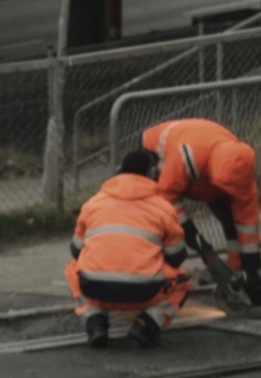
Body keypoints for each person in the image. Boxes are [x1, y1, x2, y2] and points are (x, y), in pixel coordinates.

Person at [141, 118, 261, 307]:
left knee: (232, 224)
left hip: (200, 174)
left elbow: (247, 229)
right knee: (159, 227)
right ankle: (152, 285)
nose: (231, 194)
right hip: (155, 157)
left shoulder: (242, 176)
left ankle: (238, 280)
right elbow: (166, 197)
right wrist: (194, 236)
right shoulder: (186, 157)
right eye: (227, 189)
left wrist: (251, 272)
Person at [64, 150, 192, 349]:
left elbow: (76, 250)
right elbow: (176, 257)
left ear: (119, 173)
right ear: (151, 175)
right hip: (143, 292)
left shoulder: (93, 203)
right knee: (183, 280)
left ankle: (95, 322)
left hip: (95, 288)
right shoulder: (163, 207)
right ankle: (146, 325)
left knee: (73, 268)